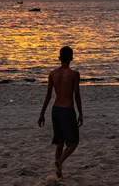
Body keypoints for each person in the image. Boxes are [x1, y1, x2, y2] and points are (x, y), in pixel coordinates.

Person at [38, 46, 83, 179]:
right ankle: (60, 161)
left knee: (60, 143)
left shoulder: (52, 73)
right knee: (74, 142)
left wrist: (42, 114)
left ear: (59, 58)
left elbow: (48, 96)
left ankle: (59, 172)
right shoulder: (74, 74)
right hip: (67, 110)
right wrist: (80, 113)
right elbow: (77, 96)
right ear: (72, 59)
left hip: (55, 109)